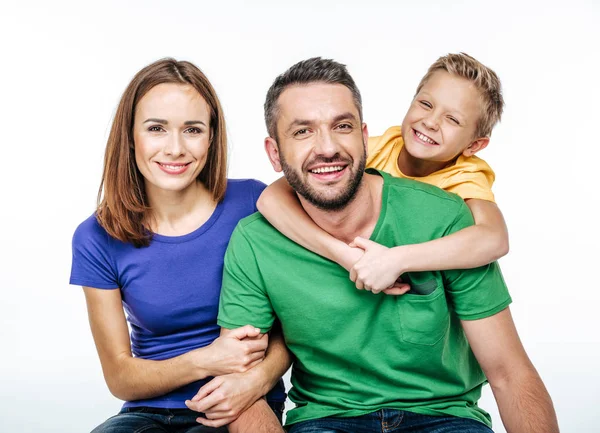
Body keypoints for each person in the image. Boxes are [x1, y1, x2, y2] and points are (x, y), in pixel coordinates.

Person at [217, 57, 559, 432]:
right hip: (326, 420)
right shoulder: (255, 240)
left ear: (363, 136)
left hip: (443, 418)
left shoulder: (452, 212)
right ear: (274, 153)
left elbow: (509, 372)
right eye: (302, 132)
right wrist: (344, 254)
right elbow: (240, 384)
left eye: (342, 126)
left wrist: (401, 258)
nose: (327, 147)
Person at [70, 58, 288, 433]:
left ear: (211, 137)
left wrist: (258, 380)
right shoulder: (95, 237)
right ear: (130, 135)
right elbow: (120, 376)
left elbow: (294, 323)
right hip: (148, 413)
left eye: (192, 129)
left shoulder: (255, 202)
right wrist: (208, 359)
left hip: (240, 399)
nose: (175, 148)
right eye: (156, 128)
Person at [257, 53, 509, 294]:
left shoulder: (466, 176)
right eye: (425, 104)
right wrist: (344, 255)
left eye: (452, 119)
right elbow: (270, 199)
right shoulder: (378, 147)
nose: (430, 122)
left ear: (474, 145)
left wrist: (397, 260)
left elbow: (494, 239)